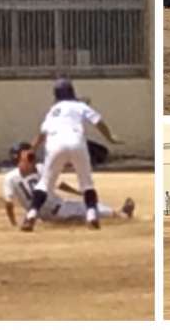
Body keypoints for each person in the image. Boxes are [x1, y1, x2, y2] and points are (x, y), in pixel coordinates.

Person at [21, 78, 122, 232]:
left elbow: (42, 134)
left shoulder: (53, 111)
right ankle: (91, 216)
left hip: (55, 144)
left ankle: (31, 215)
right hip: (77, 143)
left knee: (44, 184)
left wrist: (31, 150)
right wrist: (110, 138)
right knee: (86, 183)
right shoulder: (80, 106)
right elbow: (98, 121)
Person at [4, 143, 135, 226]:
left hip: (42, 217)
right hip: (59, 209)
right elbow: (59, 184)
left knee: (77, 215)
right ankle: (121, 214)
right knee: (91, 207)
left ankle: (73, 221)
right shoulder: (41, 168)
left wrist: (13, 223)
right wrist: (79, 192)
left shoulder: (9, 178)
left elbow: (9, 203)